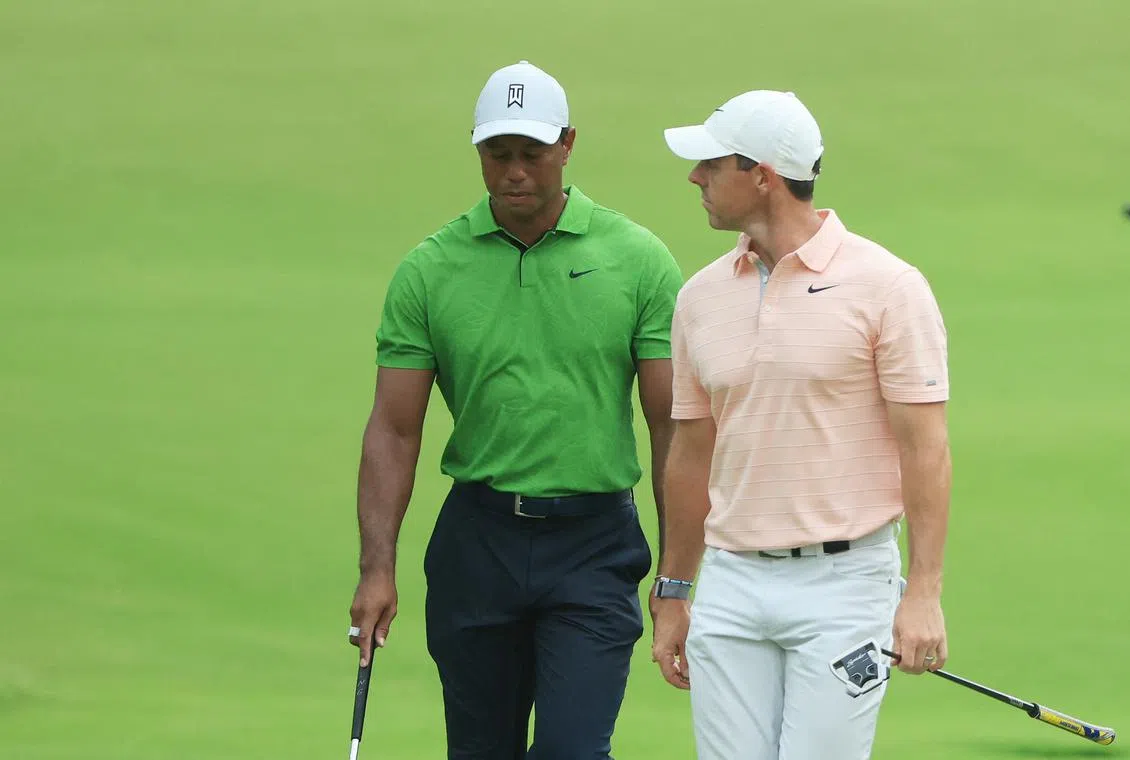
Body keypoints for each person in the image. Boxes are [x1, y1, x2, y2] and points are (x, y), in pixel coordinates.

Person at [347, 60, 683, 759]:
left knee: (571, 751)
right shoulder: (430, 270)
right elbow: (394, 427)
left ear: (567, 144)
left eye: (532, 153)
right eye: (498, 155)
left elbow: (670, 427)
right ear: (477, 150)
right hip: (479, 541)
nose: (515, 172)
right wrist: (376, 567)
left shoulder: (637, 260)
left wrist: (675, 573)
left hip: (594, 544)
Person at [648, 90, 952, 760]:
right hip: (731, 582)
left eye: (711, 163)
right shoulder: (699, 297)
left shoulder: (889, 288)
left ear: (762, 174)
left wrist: (923, 594)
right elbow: (692, 452)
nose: (694, 177)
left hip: (844, 586)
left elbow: (924, 449)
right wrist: (674, 588)